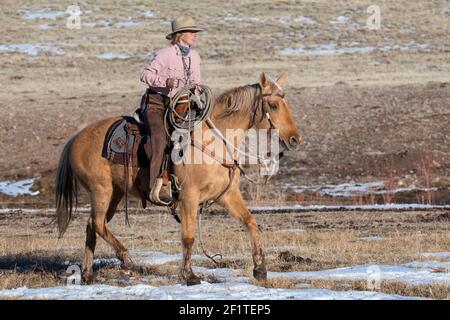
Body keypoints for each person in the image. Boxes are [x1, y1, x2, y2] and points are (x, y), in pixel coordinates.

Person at [140, 16, 203, 204]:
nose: (194, 35)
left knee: (197, 136)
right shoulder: (165, 54)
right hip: (157, 104)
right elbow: (145, 74)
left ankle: (191, 181)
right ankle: (156, 185)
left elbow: (197, 82)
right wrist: (164, 82)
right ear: (180, 35)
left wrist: (196, 88)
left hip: (181, 105)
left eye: (194, 32)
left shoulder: (195, 56)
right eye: (191, 32)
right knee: (159, 139)